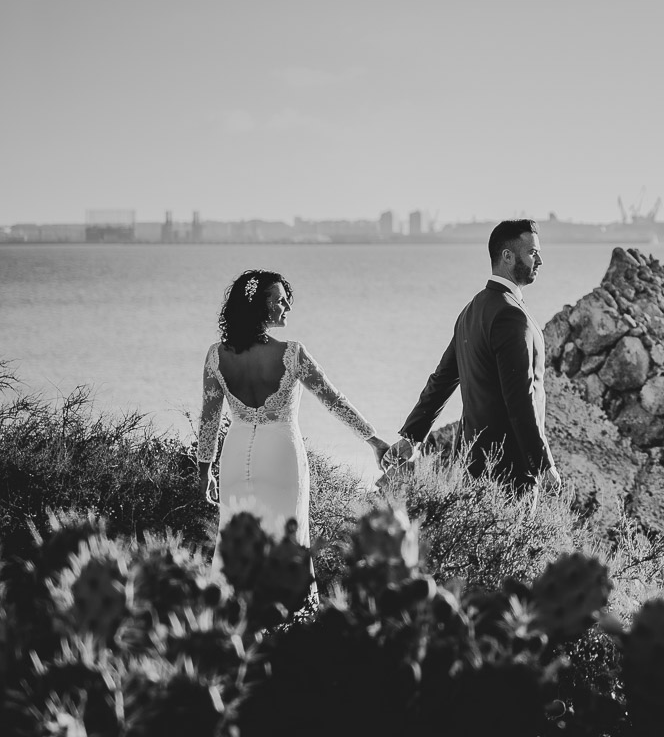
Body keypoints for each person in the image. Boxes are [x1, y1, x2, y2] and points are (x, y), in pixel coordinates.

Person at [195, 270, 391, 544]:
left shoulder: (216, 355)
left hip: (235, 457)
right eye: (280, 300)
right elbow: (334, 401)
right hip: (282, 456)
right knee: (285, 542)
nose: (287, 306)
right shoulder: (292, 353)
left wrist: (205, 472)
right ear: (259, 306)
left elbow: (209, 420)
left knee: (238, 545)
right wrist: (374, 441)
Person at [392, 219, 561, 493]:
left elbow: (442, 380)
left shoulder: (471, 311)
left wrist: (412, 436)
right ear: (507, 256)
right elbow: (520, 397)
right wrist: (542, 463)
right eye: (532, 253)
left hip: (470, 463)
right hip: (509, 470)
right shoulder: (511, 316)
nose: (540, 260)